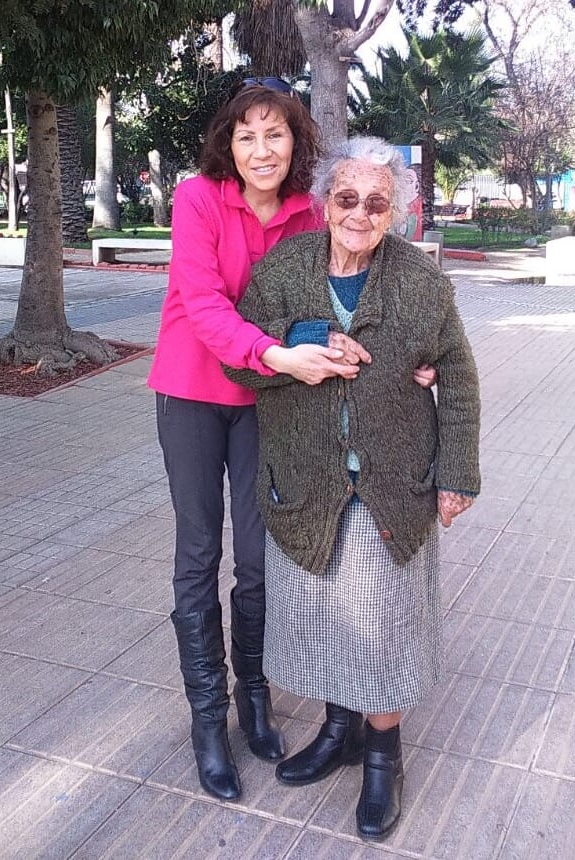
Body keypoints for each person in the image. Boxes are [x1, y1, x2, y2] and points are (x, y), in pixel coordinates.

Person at [149, 81, 436, 803]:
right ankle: (209, 720)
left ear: (295, 140)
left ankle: (254, 700)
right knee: (197, 553)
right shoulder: (199, 200)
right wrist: (276, 354)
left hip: (273, 403)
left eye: (275, 133)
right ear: (229, 144)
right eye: (246, 135)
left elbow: (348, 287)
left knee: (260, 558)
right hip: (194, 389)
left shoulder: (314, 209)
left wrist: (415, 353)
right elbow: (202, 301)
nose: (260, 148)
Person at [224, 136, 480, 839]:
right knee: (324, 616)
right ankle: (340, 731)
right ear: (324, 202)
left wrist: (458, 474)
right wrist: (308, 339)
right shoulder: (282, 270)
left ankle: (383, 758)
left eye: (376, 202)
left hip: (390, 486)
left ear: (395, 211)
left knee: (382, 627)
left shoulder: (421, 284)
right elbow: (243, 362)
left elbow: (456, 373)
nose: (360, 213)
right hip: (306, 484)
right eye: (347, 198)